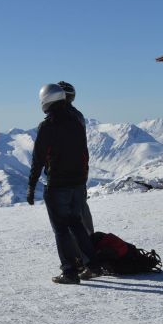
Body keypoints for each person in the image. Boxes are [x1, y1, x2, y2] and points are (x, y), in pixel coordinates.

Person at [27, 83, 103, 284]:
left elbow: (38, 158)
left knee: (61, 229)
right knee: (77, 224)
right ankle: (92, 265)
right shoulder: (77, 121)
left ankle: (69, 271)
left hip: (57, 184)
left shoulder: (48, 126)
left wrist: (31, 185)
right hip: (77, 182)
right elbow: (83, 152)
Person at [57, 80, 95, 239]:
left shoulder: (62, 118)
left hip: (65, 171)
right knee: (80, 207)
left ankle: (81, 250)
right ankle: (89, 244)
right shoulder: (77, 115)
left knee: (70, 210)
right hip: (80, 168)